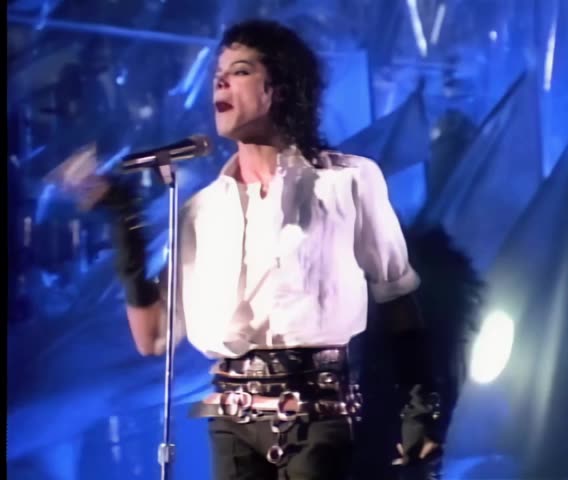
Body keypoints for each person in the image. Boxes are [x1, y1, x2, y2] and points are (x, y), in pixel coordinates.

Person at [68, 19, 452, 480]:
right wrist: (124, 223)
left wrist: (420, 407)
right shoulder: (200, 212)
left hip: (319, 417)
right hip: (232, 425)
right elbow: (152, 337)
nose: (220, 82)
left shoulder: (348, 182)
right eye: (217, 75)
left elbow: (396, 297)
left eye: (240, 71)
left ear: (279, 89)